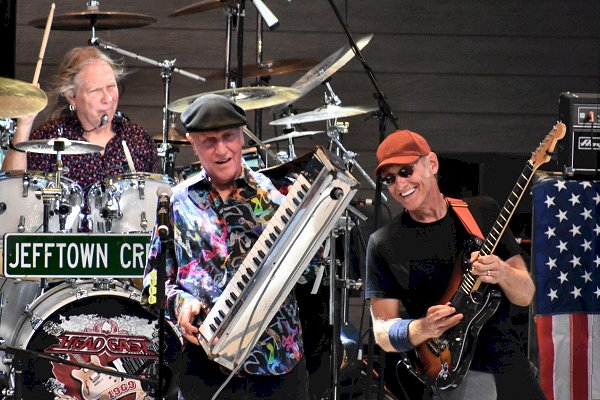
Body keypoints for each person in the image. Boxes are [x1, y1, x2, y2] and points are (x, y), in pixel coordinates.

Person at [142, 93, 312, 400]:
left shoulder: (277, 197)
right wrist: (181, 304)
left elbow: (307, 274)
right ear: (192, 142)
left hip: (275, 361)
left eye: (229, 137)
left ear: (242, 137)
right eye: (209, 141)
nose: (222, 149)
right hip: (205, 364)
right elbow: (154, 283)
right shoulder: (177, 203)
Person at [365, 130, 545, 400]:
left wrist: (503, 271)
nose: (400, 185)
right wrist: (423, 327)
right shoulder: (383, 243)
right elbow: (381, 332)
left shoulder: (482, 212)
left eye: (406, 171)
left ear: (432, 164)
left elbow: (525, 294)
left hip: (510, 366)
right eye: (389, 179)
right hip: (455, 376)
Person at [1, 46, 159, 189]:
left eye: (111, 87)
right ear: (72, 97)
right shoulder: (51, 136)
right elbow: (10, 192)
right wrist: (24, 125)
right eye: (95, 90)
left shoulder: (137, 138)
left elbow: (159, 201)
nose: (108, 99)